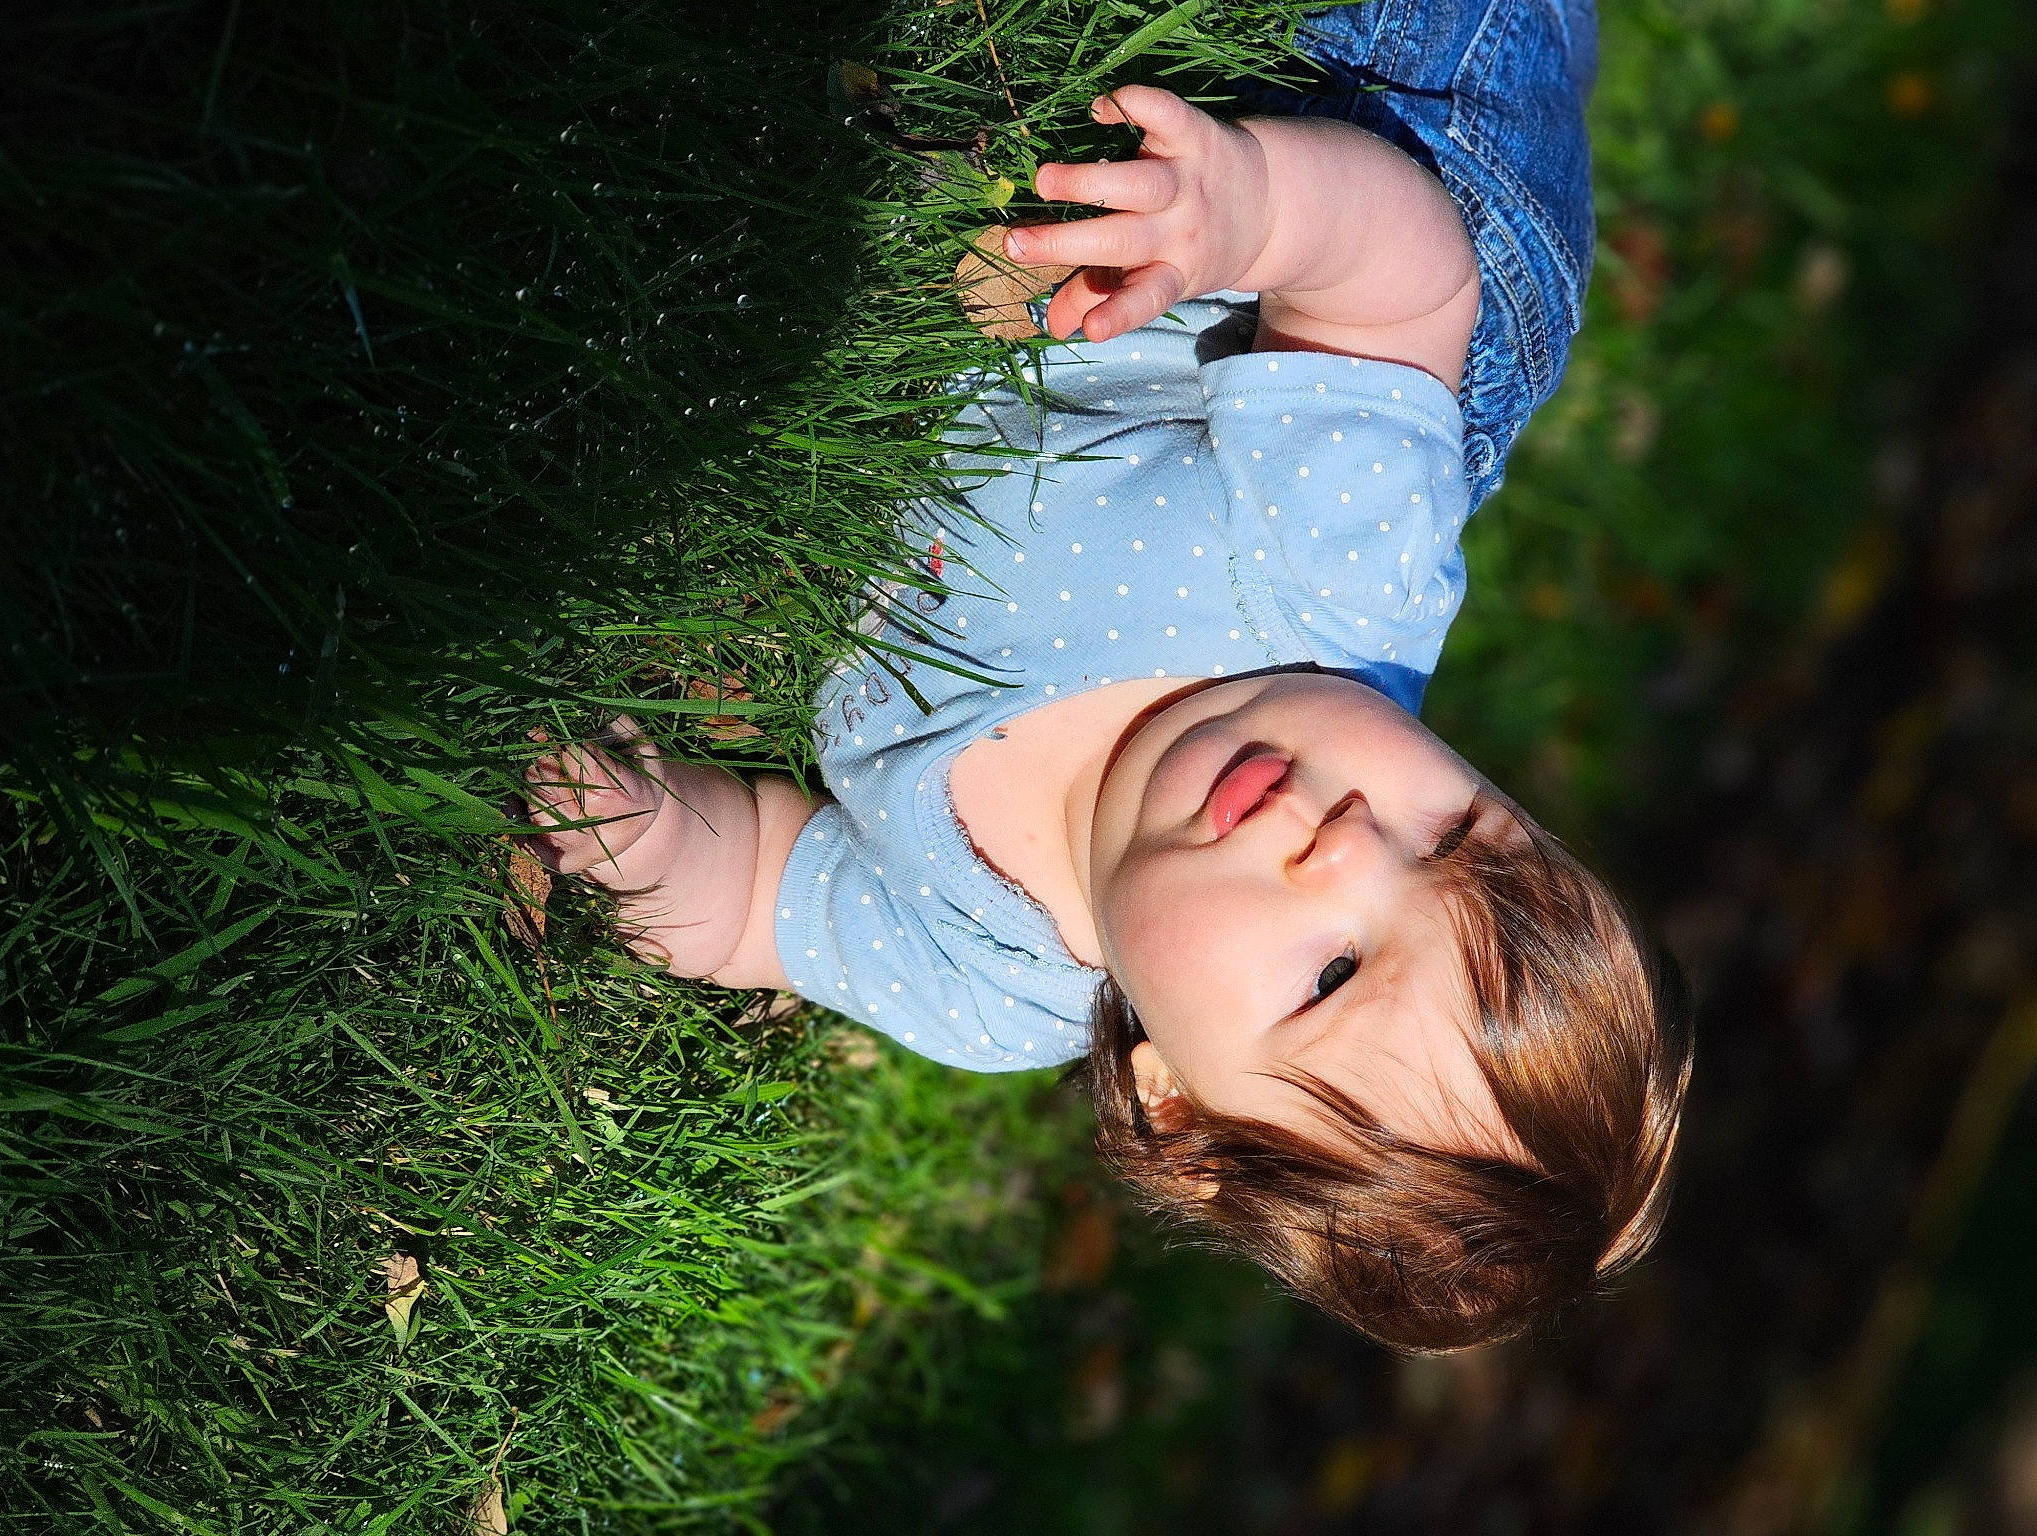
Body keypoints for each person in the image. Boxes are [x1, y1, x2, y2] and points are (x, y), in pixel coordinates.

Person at [524, 0, 1691, 1352]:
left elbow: (764, 906)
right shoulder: (1332, 584)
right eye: (1451, 833)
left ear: (1180, 1113)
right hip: (1413, 153)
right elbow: (1403, 288)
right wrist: (1253, 212)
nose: (1346, 844)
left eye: (1329, 977)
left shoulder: (987, 976)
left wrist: (658, 842)